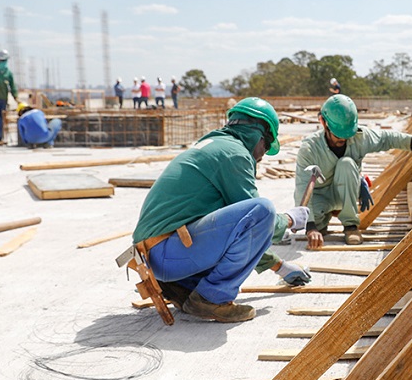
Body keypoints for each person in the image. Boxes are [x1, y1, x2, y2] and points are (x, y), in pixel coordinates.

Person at [131, 97, 312, 322]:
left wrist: (280, 267)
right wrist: (289, 220)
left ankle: (185, 288)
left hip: (154, 257)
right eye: (266, 144)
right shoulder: (234, 154)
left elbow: (242, 233)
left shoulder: (216, 146)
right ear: (257, 134)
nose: (263, 154)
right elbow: (259, 222)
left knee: (249, 217)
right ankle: (211, 299)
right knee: (263, 210)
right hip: (168, 254)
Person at [295, 94, 412, 249]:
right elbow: (302, 187)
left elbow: (385, 138)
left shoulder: (358, 137)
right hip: (322, 196)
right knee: (316, 224)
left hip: (346, 190)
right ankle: (324, 218)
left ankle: (350, 226)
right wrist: (311, 226)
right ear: (323, 122)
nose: (344, 139)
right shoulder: (309, 148)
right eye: (338, 134)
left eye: (347, 134)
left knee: (346, 163)